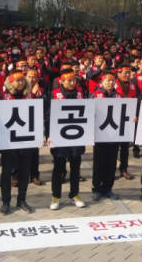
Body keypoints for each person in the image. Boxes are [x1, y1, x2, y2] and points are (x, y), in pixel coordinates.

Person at [49, 69, 87, 210]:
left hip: (77, 136)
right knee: (58, 168)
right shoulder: (54, 94)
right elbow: (48, 116)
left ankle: (74, 194)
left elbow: (86, 112)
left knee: (75, 168)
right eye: (69, 80)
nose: (72, 83)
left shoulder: (80, 94)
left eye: (74, 80)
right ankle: (56, 196)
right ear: (62, 81)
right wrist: (48, 135)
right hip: (59, 137)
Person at [0, 71, 35, 215]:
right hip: (8, 140)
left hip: (25, 140)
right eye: (17, 80)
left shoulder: (29, 96)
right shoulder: (2, 96)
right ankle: (6, 201)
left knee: (24, 171)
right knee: (6, 172)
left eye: (22, 80)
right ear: (10, 82)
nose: (20, 83)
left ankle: (22, 200)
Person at [91, 72, 125, 201]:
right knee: (99, 163)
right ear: (102, 82)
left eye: (112, 81)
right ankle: (97, 189)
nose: (110, 83)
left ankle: (108, 188)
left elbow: (125, 112)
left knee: (111, 163)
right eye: (108, 80)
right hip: (99, 135)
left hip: (114, 135)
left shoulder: (119, 96)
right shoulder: (95, 95)